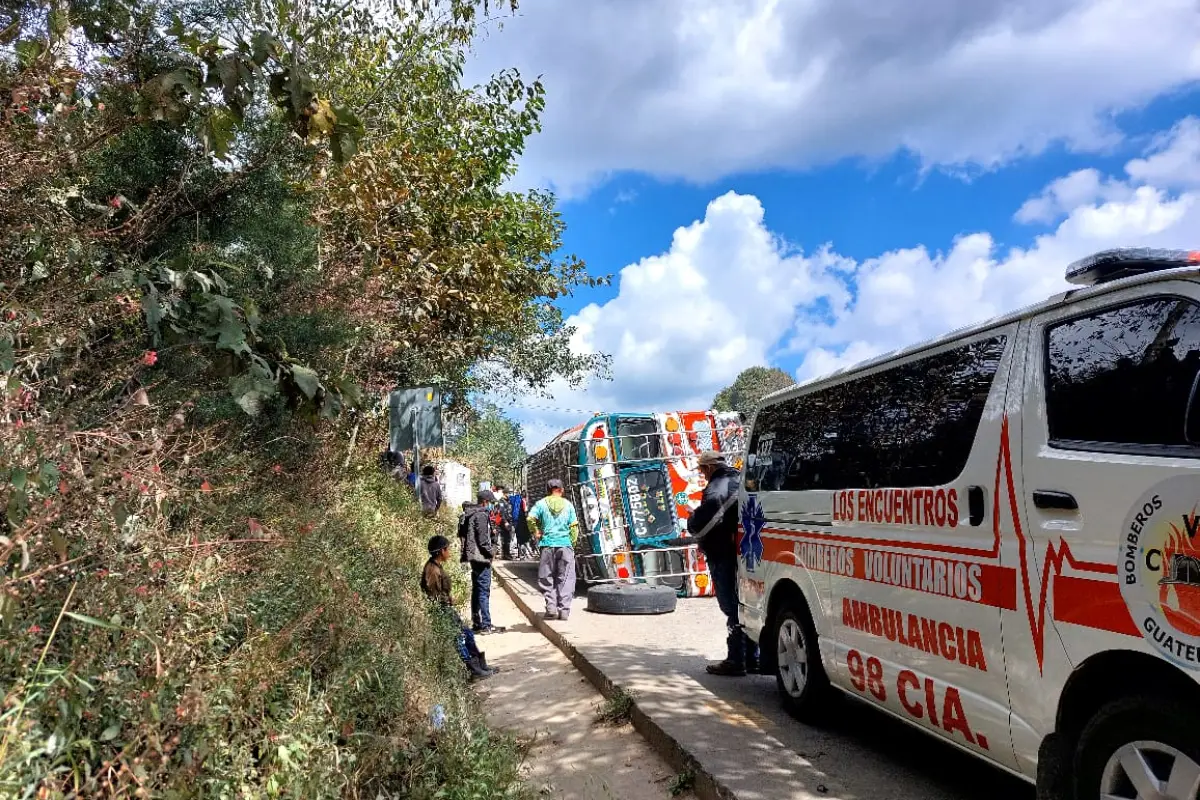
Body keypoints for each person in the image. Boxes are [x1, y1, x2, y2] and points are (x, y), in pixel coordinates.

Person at [688, 450, 758, 676]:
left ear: (708, 468)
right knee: (746, 603)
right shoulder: (741, 478)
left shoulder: (715, 489)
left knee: (731, 606)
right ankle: (752, 658)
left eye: (701, 470)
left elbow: (705, 522)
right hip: (749, 552)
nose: (702, 474)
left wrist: (692, 520)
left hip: (723, 554)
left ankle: (736, 659)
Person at [421, 535, 498, 680]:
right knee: (460, 638)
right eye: (447, 549)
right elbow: (434, 595)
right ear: (441, 551)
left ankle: (480, 666)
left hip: (446, 608)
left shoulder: (436, 566)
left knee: (467, 634)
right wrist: (448, 601)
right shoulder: (432, 570)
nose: (449, 552)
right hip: (442, 611)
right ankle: (474, 670)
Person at [527, 479, 579, 621]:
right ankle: (564, 611)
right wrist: (571, 543)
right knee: (566, 578)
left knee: (546, 576)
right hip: (564, 545)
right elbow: (574, 527)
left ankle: (551, 608)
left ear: (547, 490)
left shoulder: (541, 504)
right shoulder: (568, 505)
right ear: (561, 489)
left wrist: (536, 531)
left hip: (547, 545)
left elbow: (530, 519)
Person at [462, 489, 504, 634]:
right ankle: (486, 625)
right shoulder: (480, 515)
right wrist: (491, 552)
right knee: (483, 591)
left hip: (475, 557)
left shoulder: (472, 513)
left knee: (477, 590)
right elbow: (483, 539)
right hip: (481, 557)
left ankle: (478, 623)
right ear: (485, 502)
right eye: (490, 503)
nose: (491, 506)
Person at [492, 485, 515, 559]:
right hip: (501, 524)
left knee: (507, 539)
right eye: (508, 493)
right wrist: (505, 522)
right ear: (504, 493)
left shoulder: (508, 501)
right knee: (498, 539)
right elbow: (501, 513)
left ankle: (506, 554)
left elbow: (510, 512)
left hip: (508, 523)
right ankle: (495, 555)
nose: (510, 495)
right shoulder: (501, 501)